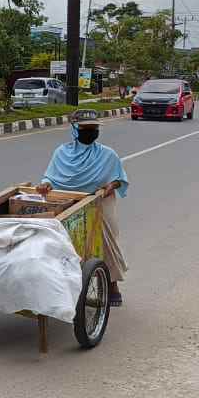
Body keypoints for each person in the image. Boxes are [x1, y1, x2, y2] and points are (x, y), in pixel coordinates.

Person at [35, 109, 129, 307]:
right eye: (86, 128)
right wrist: (45, 185)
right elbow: (50, 178)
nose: (91, 132)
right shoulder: (61, 153)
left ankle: (112, 285)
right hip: (69, 202)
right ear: (75, 129)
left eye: (94, 128)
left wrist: (110, 186)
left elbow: (119, 179)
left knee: (107, 242)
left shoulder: (107, 154)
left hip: (99, 201)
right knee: (63, 243)